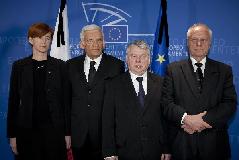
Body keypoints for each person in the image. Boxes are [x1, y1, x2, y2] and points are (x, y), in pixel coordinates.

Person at [162, 23, 237, 160]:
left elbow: (229, 104)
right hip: (182, 144)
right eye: (194, 40)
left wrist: (200, 122)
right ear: (187, 43)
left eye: (203, 40)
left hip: (215, 145)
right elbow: (166, 103)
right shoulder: (173, 70)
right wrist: (186, 119)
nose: (198, 44)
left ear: (210, 44)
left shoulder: (224, 70)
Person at [7, 23, 71, 160]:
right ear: (31, 40)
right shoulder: (19, 67)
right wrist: (12, 136)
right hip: (27, 132)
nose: (44, 41)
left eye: (47, 38)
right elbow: (13, 102)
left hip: (54, 132)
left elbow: (66, 102)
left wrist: (67, 133)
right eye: (39, 37)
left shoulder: (60, 66)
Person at [102, 40, 171, 160]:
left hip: (155, 150)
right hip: (124, 150)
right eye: (134, 56)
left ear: (149, 60)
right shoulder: (113, 85)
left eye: (143, 56)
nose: (138, 60)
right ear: (127, 59)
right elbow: (107, 121)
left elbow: (166, 120)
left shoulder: (162, 83)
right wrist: (109, 152)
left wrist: (166, 147)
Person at [67, 24, 125, 160]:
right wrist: (66, 132)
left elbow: (119, 104)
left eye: (99, 40)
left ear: (104, 43)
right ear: (82, 44)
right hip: (78, 136)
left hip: (105, 138)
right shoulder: (70, 66)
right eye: (90, 40)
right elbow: (66, 101)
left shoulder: (116, 65)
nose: (95, 44)